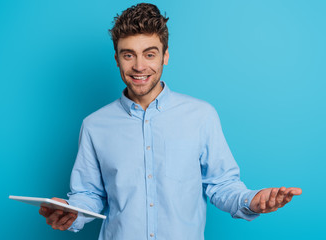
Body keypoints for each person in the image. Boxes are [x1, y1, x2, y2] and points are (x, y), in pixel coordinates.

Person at [39, 3, 302, 239]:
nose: (139, 66)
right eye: (128, 55)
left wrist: (252, 200)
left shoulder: (201, 116)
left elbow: (221, 185)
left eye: (150, 54)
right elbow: (89, 195)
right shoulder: (94, 125)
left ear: (165, 56)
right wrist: (72, 213)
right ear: (117, 59)